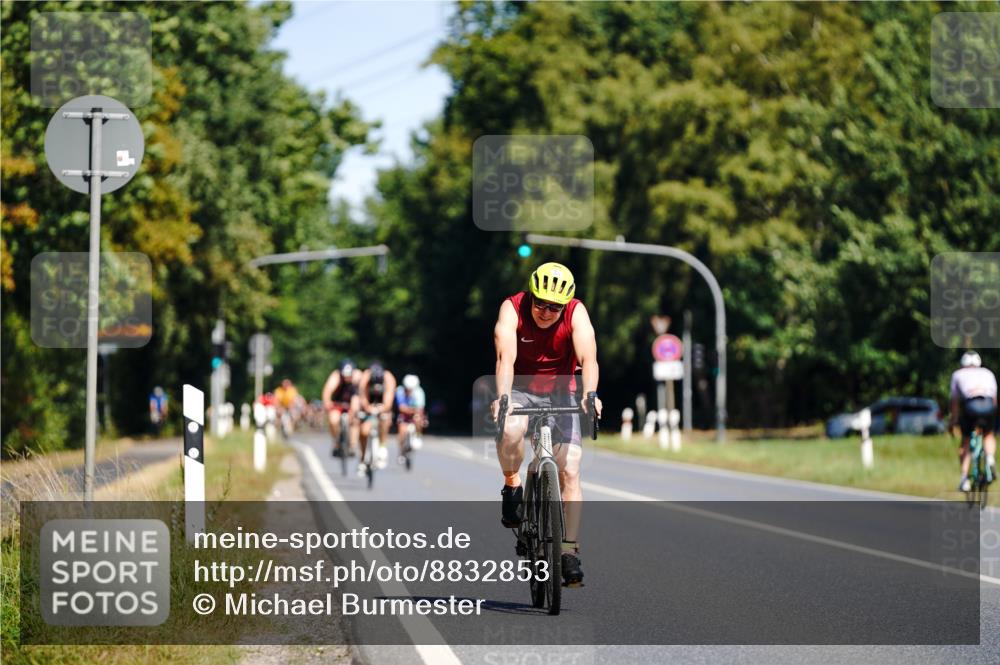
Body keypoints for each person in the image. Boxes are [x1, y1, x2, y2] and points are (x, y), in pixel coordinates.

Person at [491, 262, 602, 587]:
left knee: (570, 467)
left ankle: (568, 550)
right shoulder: (512, 309)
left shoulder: (577, 313)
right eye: (540, 303)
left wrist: (590, 394)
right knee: (510, 429)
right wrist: (503, 397)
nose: (546, 311)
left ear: (565, 304)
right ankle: (512, 484)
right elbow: (505, 359)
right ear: (532, 296)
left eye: (555, 307)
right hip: (521, 388)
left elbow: (589, 359)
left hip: (562, 389)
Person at [949, 350, 997, 492]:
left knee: (965, 440)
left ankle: (964, 480)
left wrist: (954, 420)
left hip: (971, 406)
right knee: (988, 434)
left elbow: (955, 401)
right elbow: (994, 399)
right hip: (988, 405)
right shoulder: (988, 373)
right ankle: (990, 458)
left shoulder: (958, 374)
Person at [358, 361, 397, 474]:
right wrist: (367, 408)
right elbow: (362, 396)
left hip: (382, 404)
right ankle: (363, 457)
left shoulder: (389, 378)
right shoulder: (365, 377)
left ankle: (382, 446)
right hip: (368, 403)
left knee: (385, 418)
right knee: (364, 431)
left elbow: (388, 401)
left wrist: (381, 409)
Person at [321, 359, 361, 459]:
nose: (347, 378)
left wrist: (355, 409)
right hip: (337, 403)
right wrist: (327, 402)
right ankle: (336, 441)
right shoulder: (336, 376)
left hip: (352, 401)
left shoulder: (358, 376)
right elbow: (327, 391)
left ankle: (352, 445)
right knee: (333, 420)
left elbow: (360, 394)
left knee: (355, 420)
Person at [396, 374, 427, 463]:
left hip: (415, 414)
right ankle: (401, 452)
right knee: (401, 431)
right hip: (404, 415)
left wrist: (414, 412)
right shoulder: (400, 391)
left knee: (418, 418)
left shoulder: (419, 392)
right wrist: (411, 410)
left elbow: (420, 409)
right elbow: (401, 407)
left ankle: (418, 435)